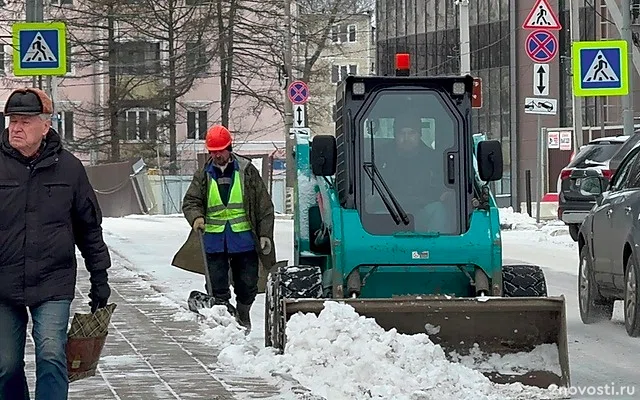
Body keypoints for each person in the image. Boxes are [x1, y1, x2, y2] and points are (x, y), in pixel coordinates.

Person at [0, 88, 111, 399]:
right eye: (12, 121)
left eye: (24, 121)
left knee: (51, 356)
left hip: (52, 281)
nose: (15, 128)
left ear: (45, 126)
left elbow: (89, 227)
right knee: (5, 365)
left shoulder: (70, 169)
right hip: (3, 284)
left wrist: (100, 277)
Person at [182, 124, 275, 333]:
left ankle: (243, 313)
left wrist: (265, 234)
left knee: (247, 284)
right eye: (213, 152)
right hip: (214, 241)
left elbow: (264, 206)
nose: (217, 155)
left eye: (220, 151)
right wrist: (196, 217)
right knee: (216, 287)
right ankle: (223, 322)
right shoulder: (203, 174)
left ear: (229, 148)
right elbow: (190, 201)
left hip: (244, 240)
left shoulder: (247, 172)